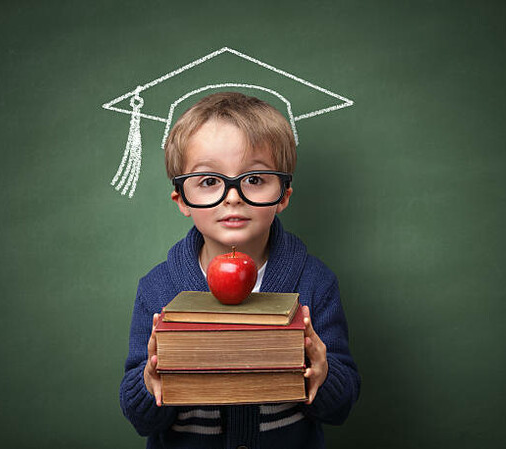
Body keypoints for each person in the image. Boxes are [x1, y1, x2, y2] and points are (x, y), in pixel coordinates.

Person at [120, 92, 360, 449]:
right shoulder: (158, 289)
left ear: (284, 194)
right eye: (208, 181)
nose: (233, 197)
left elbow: (339, 408)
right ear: (182, 199)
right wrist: (150, 382)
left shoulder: (314, 282)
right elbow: (140, 418)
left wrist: (322, 375)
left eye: (254, 179)